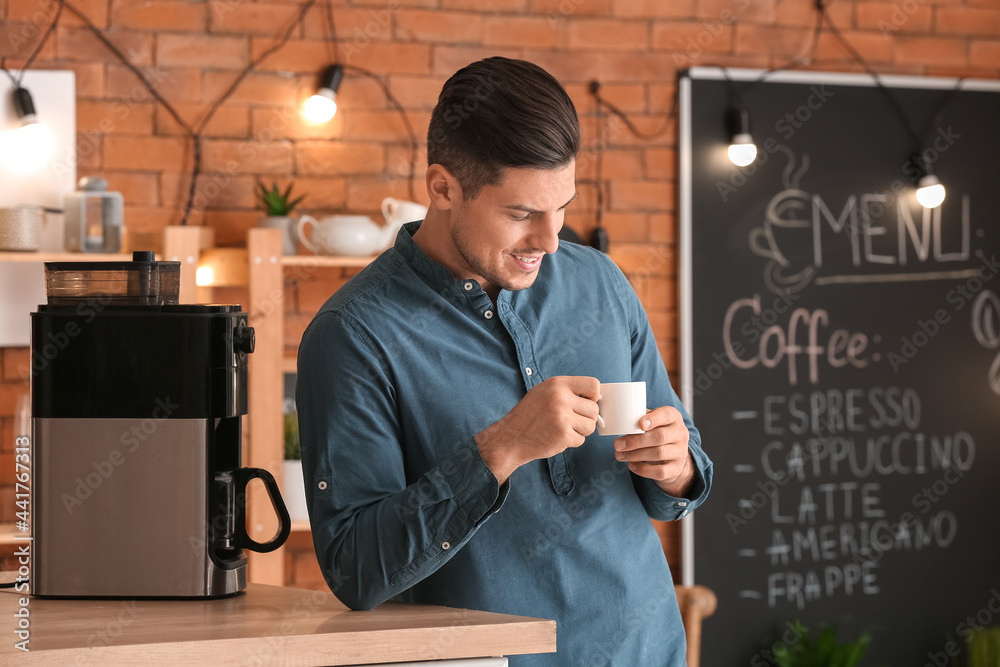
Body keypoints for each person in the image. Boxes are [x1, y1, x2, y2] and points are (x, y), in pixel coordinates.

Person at [296, 56, 713, 666]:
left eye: (562, 206)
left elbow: (683, 469)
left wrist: (676, 467)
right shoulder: (354, 335)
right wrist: (501, 448)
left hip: (646, 651)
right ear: (442, 187)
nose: (550, 240)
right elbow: (357, 569)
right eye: (521, 214)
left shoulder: (599, 283)